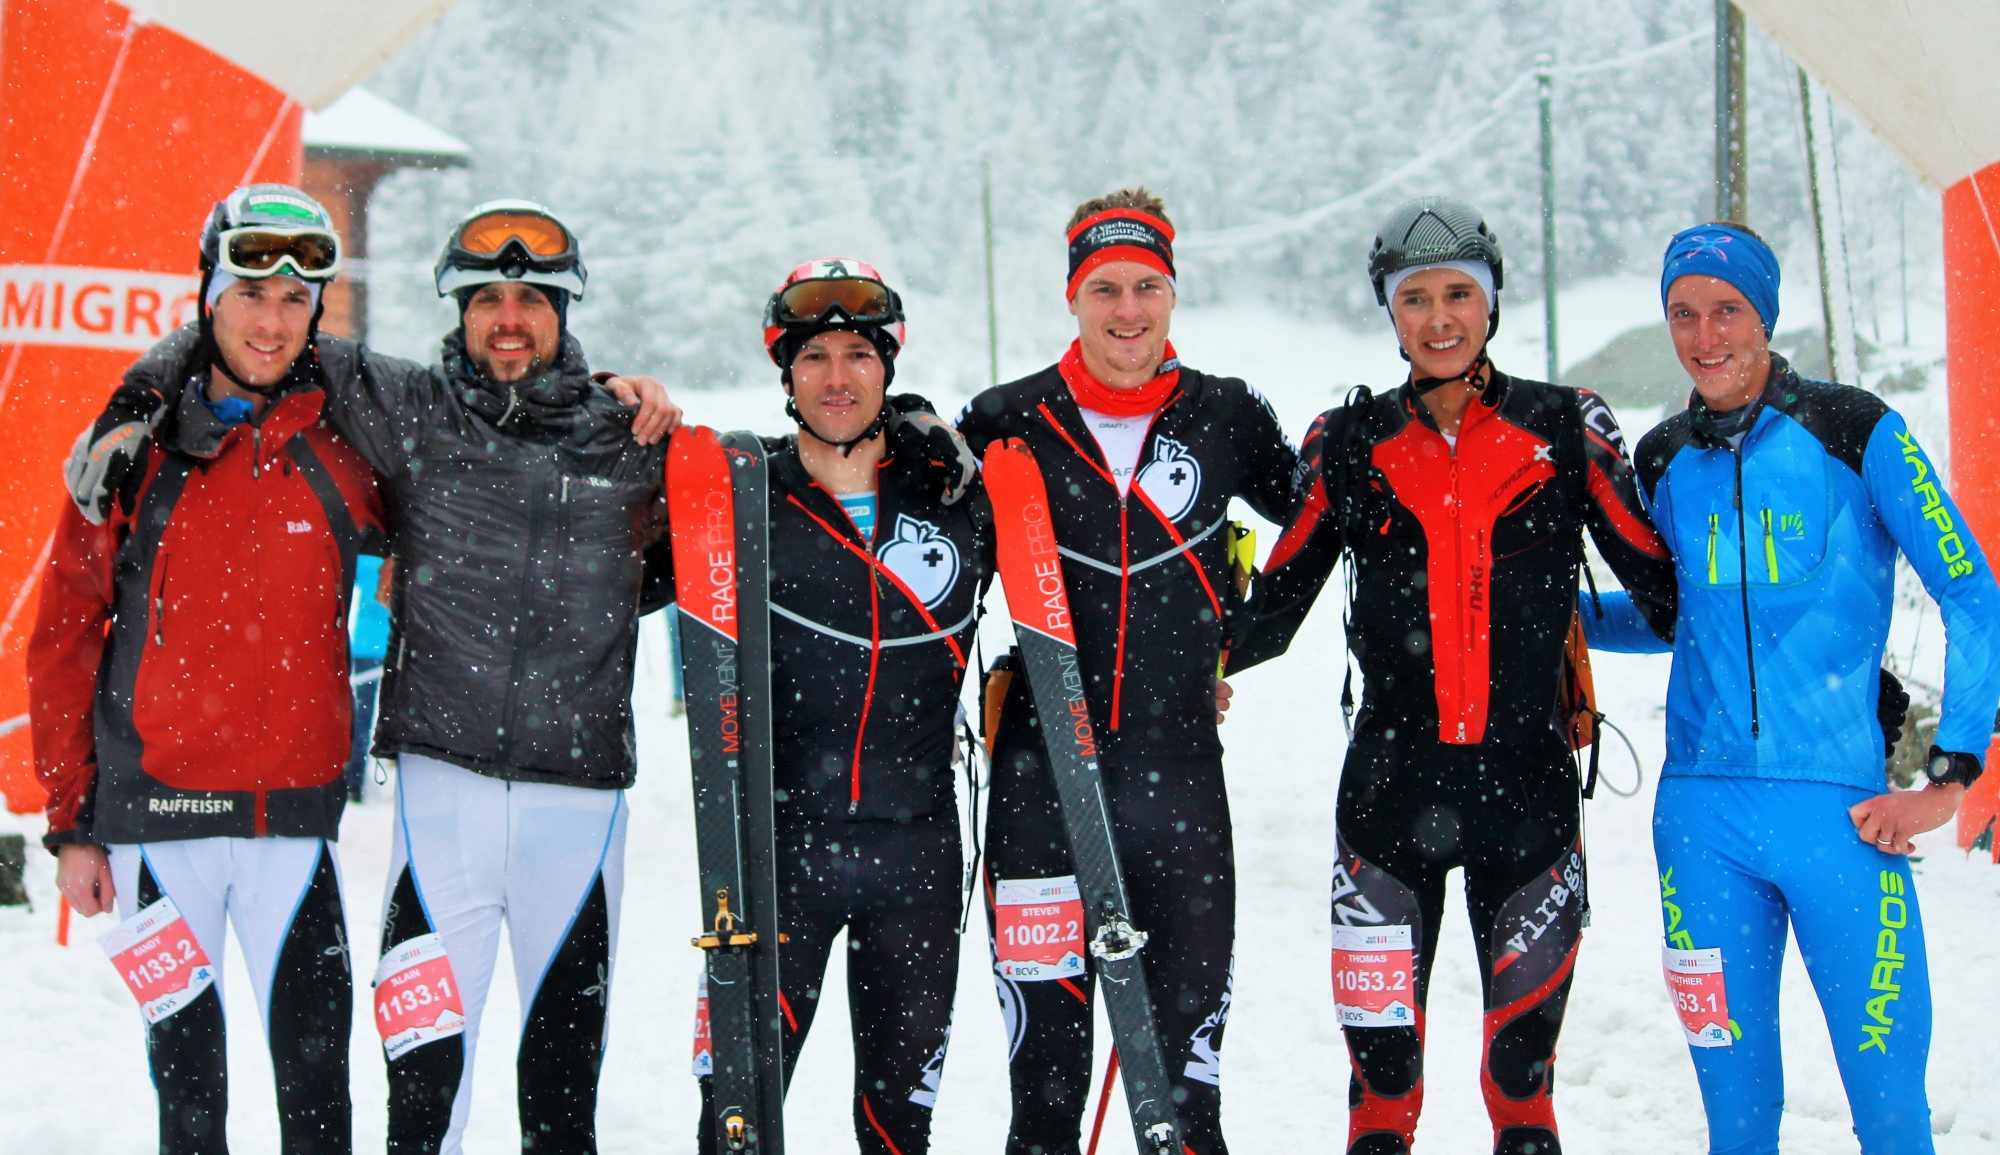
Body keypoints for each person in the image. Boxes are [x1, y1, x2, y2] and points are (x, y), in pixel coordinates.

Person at [71, 199, 682, 1155]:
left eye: (531, 297)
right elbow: (251, 333)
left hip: (582, 808)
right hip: (441, 800)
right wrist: (136, 395)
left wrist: (637, 397)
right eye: (486, 299)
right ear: (457, 309)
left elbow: (702, 560)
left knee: (564, 1111)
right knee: (420, 1112)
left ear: (567, 311)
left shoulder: (633, 440)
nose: (508, 318)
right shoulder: (403, 405)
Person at [1234, 196, 1679, 1155]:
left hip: (1530, 798)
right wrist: (1132, 665)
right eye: (1416, 299)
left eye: (1460, 295)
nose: (1440, 318)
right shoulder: (1345, 443)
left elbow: (1668, 593)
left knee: (1521, 1095)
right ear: (1389, 314)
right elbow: (1270, 611)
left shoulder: (1566, 427)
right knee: (1381, 1102)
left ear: (1492, 301)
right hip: (1390, 801)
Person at [1582, 222, 2000, 1155]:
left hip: (1843, 821)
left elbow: (1974, 596)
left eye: (1727, 309)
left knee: (1890, 1115)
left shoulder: (1855, 433)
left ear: (1764, 316)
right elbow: (1668, 615)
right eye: (1682, 313)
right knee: (1736, 1120)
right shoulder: (1661, 460)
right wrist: (1548, 612)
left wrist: (1947, 779)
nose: (1705, 334)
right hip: (1700, 823)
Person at [32, 183, 385, 1155]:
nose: (270, 323)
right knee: (189, 1108)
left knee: (320, 1105)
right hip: (158, 830)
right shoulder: (128, 450)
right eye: (249, 294)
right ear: (209, 295)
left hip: (293, 827)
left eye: (293, 301)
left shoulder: (344, 447)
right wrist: (71, 825)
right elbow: (61, 638)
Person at [954, 188, 1298, 1155]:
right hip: (1037, 785)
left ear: (1174, 294)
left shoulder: (1225, 414)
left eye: (1148, 285)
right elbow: (926, 578)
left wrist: (1240, 637)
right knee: (1047, 1098)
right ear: (1073, 296)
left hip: (1178, 782)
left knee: (1188, 1095)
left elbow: (1324, 524)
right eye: (1105, 287)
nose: (1128, 310)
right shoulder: (1003, 419)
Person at [661, 257, 985, 1152]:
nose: (837, 377)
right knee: (731, 1125)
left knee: (897, 1131)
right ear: (785, 373)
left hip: (916, 854)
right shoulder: (741, 492)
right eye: (813, 358)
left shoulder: (958, 496)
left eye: (858, 354)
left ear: (890, 366)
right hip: (773, 857)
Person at [346, 555, 391, 801]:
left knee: (362, 717)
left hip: (365, 648)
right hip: (395, 647)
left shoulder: (363, 561)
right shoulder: (403, 559)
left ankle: (354, 780)